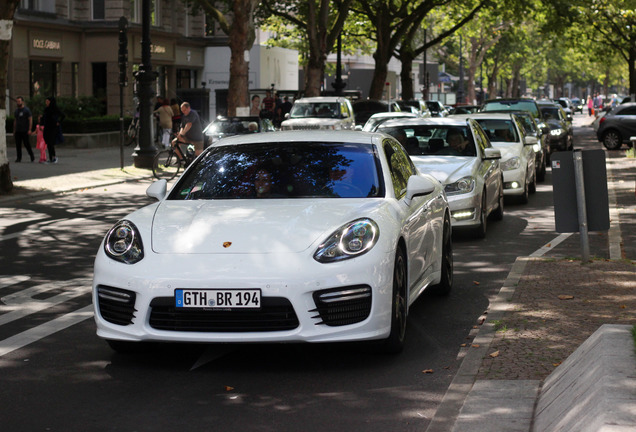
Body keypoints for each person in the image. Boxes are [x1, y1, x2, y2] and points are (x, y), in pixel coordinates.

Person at [42, 96, 64, 163]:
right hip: (47, 127)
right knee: (48, 143)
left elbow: (63, 115)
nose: (46, 103)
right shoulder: (46, 109)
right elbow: (44, 118)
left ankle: (54, 157)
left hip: (53, 128)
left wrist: (58, 122)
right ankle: (50, 157)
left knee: (51, 143)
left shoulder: (55, 109)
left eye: (48, 101)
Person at [13, 96, 35, 163]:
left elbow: (30, 119)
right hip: (18, 130)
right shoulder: (16, 111)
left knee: (26, 144)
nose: (18, 103)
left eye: (19, 101)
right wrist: (14, 130)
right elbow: (15, 120)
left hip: (25, 130)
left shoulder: (26, 110)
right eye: (17, 101)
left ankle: (31, 155)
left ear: (22, 102)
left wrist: (30, 129)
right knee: (18, 145)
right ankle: (19, 158)